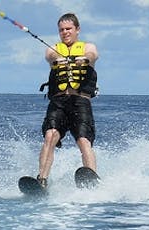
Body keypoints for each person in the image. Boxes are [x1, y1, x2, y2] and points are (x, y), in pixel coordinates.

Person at [37, 12, 99, 188]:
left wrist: (85, 60)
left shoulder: (88, 47)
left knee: (83, 140)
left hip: (80, 101)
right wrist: (58, 59)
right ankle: (42, 180)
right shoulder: (53, 48)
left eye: (68, 29)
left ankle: (92, 177)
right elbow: (50, 56)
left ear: (77, 29)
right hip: (58, 102)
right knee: (50, 136)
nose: (65, 32)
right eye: (61, 30)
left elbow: (93, 55)